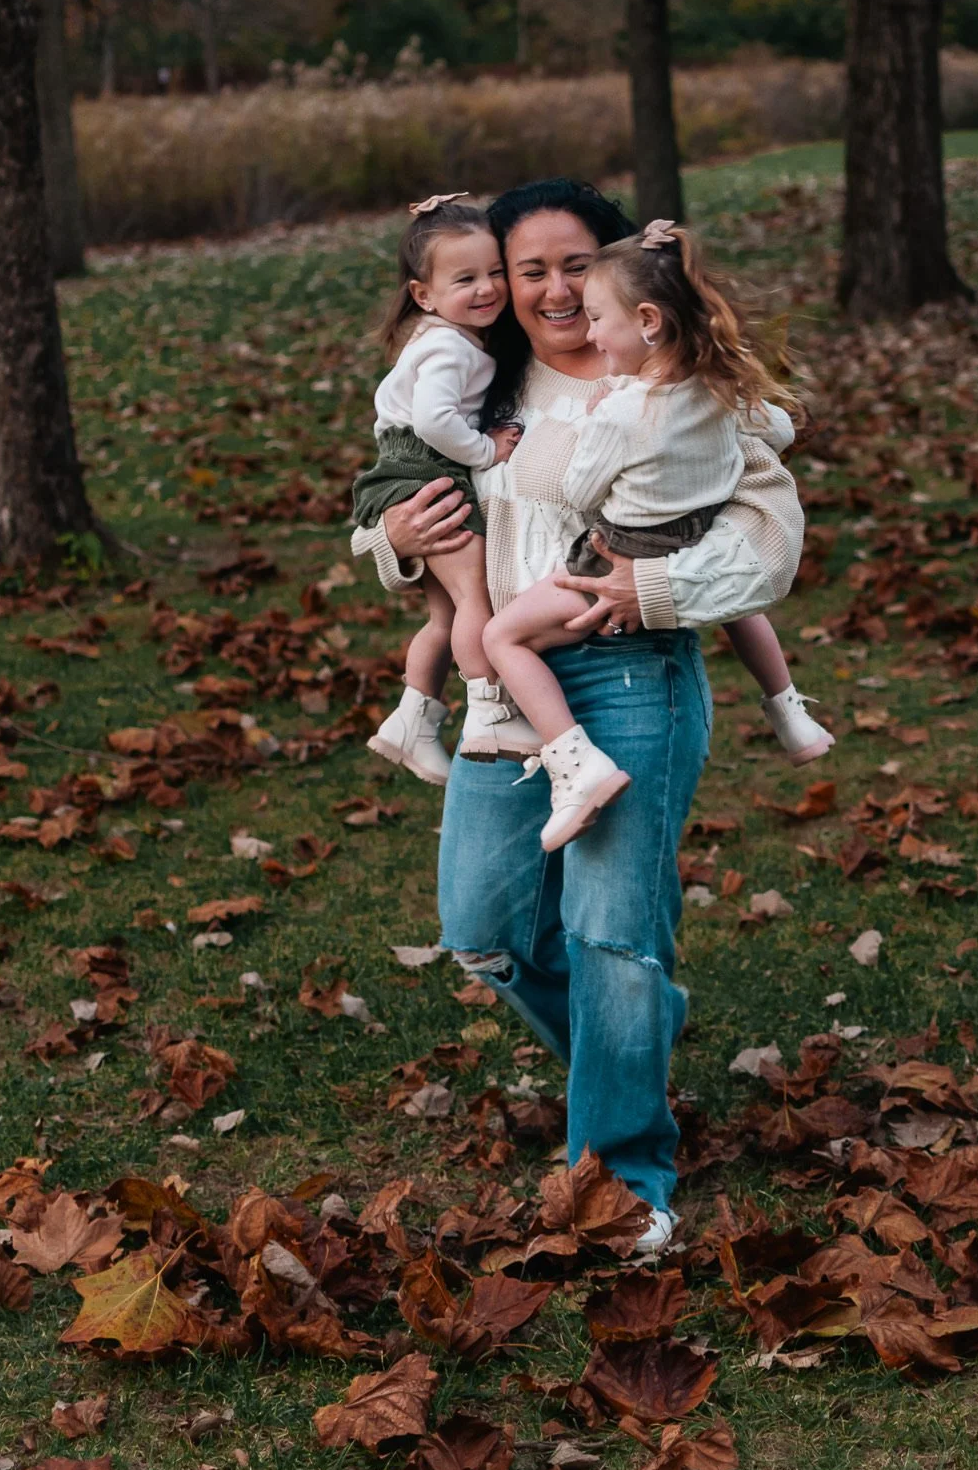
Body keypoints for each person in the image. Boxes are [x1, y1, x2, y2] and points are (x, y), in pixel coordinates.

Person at [351, 178, 805, 1254]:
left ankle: (624, 1177)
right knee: (482, 931)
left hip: (633, 673)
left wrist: (654, 590)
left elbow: (771, 540)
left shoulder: (677, 377)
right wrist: (392, 542)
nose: (554, 290)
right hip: (503, 687)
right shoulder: (477, 381)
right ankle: (634, 1028)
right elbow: (391, 508)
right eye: (529, 270)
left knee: (611, 935)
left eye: (574, 265)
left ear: (616, 272)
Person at [483, 218, 831, 852]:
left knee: (501, 636)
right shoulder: (718, 384)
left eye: (597, 317)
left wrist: (594, 422)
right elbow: (779, 431)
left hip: (622, 554)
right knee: (744, 614)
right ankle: (789, 712)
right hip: (697, 534)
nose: (591, 332)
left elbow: (580, 493)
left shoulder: (620, 411)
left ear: (647, 321)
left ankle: (575, 765)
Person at [350, 194, 529, 787]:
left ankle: (413, 721)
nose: (487, 288)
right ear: (424, 294)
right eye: (465, 279)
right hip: (424, 470)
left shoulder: (447, 336)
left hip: (406, 472)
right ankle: (489, 712)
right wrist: (485, 451)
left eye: (495, 272)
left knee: (445, 614)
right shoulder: (449, 346)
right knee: (476, 595)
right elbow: (432, 420)